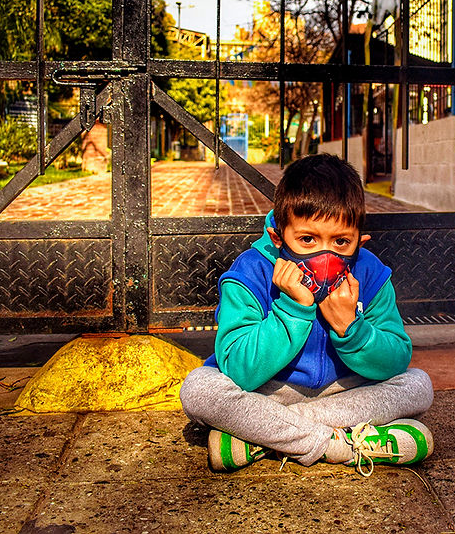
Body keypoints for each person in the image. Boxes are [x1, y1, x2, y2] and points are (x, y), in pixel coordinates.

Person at [180, 154, 434, 476]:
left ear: (359, 240)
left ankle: (263, 438)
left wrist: (351, 329)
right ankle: (340, 445)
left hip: (343, 390)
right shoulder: (249, 273)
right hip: (270, 391)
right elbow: (237, 370)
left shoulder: (369, 272)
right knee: (200, 389)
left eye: (341, 241)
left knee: (417, 384)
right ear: (278, 237)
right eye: (307, 239)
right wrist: (293, 311)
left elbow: (395, 358)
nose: (324, 254)